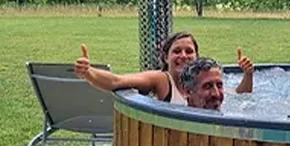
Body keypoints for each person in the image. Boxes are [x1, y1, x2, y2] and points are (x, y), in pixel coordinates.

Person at [74, 31, 254, 104]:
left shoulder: (205, 79)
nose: (183, 56)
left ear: (197, 56)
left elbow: (240, 98)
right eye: (177, 51)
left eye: (189, 51)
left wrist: (247, 75)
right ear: (165, 57)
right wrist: (89, 72)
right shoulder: (161, 80)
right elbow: (116, 81)